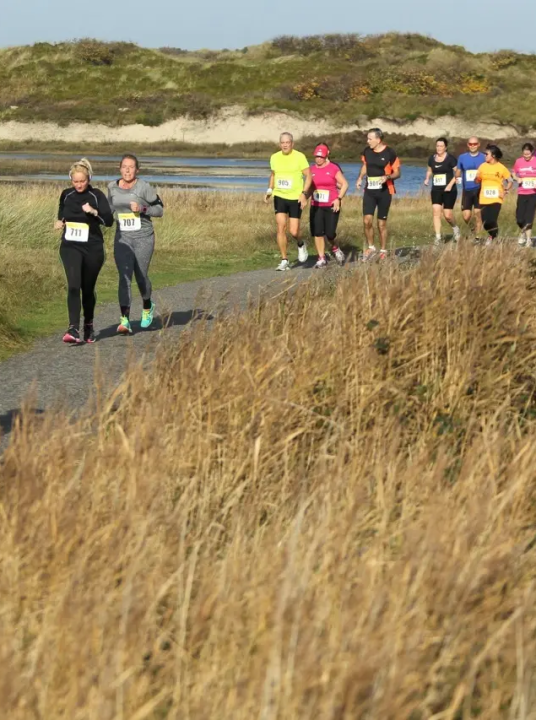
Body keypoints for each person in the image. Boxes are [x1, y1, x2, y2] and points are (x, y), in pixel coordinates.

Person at [54, 158, 113, 344]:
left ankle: (88, 324)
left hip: (93, 248)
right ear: (70, 179)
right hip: (70, 246)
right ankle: (73, 328)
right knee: (73, 285)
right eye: (75, 181)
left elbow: (109, 221)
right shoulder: (66, 195)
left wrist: (94, 212)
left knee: (87, 289)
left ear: (89, 179)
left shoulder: (97, 195)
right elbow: (62, 216)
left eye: (82, 181)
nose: (79, 185)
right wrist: (58, 222)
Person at [108, 155, 164, 334]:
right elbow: (109, 211)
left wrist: (143, 209)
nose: (127, 170)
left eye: (131, 167)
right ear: (119, 168)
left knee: (141, 276)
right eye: (124, 167)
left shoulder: (144, 187)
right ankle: (125, 320)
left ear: (137, 170)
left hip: (143, 237)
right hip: (122, 238)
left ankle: (147, 305)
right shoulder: (112, 187)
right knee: (124, 277)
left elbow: (160, 210)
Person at [265, 132, 311, 271]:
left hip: (295, 198)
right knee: (280, 227)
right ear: (280, 144)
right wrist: (269, 189)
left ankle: (301, 244)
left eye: (287, 142)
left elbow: (309, 176)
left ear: (292, 143)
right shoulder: (274, 157)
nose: (285, 145)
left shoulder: (299, 157)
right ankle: (284, 260)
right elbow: (273, 175)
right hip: (279, 196)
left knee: (294, 231)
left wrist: (304, 194)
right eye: (282, 142)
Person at [356, 128, 401, 261]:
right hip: (369, 191)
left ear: (378, 139)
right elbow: (365, 165)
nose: (367, 141)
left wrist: (388, 177)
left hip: (385, 191)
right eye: (367, 138)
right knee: (366, 221)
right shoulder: (367, 151)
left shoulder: (389, 152)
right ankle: (371, 247)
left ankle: (383, 250)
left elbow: (398, 173)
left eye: (370, 139)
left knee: (381, 224)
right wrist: (360, 177)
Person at [307, 143, 348, 268]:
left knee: (330, 233)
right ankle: (321, 257)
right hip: (316, 204)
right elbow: (309, 187)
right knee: (318, 232)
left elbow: (344, 184)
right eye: (316, 157)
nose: (318, 159)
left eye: (321, 157)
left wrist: (338, 199)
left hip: (331, 204)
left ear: (325, 156)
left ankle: (335, 248)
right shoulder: (311, 170)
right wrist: (304, 197)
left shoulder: (333, 168)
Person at [424, 138, 461, 245]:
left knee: (448, 215)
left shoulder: (451, 159)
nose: (439, 148)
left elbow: (458, 173)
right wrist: (427, 178)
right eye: (437, 146)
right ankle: (438, 237)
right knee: (436, 212)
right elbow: (429, 170)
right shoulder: (432, 158)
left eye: (441, 146)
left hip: (449, 190)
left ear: (445, 147)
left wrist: (450, 185)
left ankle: (455, 229)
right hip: (436, 189)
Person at [475, 144, 513, 246]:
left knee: (492, 220)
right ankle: (493, 235)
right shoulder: (482, 166)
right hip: (484, 198)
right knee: (485, 222)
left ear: (493, 156)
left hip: (497, 198)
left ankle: (492, 237)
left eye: (487, 154)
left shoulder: (501, 168)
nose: (485, 156)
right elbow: (477, 181)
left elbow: (510, 181)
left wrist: (506, 189)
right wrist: (477, 178)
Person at [456, 137, 486, 239]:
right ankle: (473, 229)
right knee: (466, 216)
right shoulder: (462, 157)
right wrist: (457, 177)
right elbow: (459, 170)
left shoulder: (484, 157)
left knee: (478, 215)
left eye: (475, 144)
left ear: (478, 144)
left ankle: (478, 237)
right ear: (468, 145)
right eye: (470, 144)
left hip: (479, 190)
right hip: (467, 191)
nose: (472, 146)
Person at [511, 143, 536, 247]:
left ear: (532, 152)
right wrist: (517, 178)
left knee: (529, 218)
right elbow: (513, 173)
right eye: (524, 154)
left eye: (528, 154)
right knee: (520, 219)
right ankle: (522, 233)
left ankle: (528, 239)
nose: (526, 156)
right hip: (522, 193)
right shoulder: (518, 161)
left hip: (533, 193)